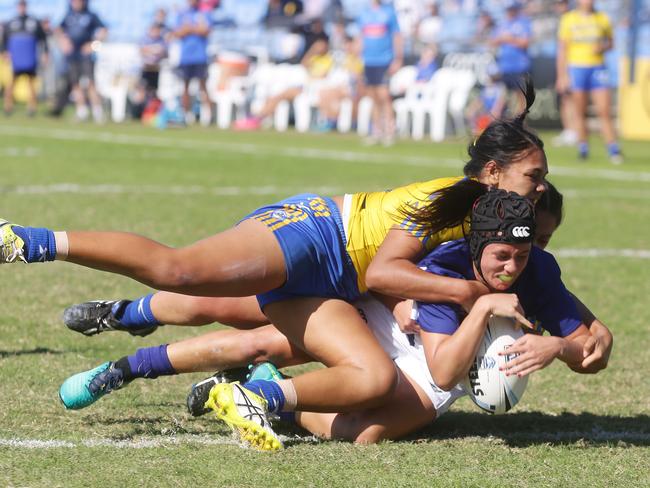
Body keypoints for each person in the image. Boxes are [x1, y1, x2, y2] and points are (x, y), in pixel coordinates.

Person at [0, 80, 549, 451]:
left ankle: (148, 358)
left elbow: (395, 283)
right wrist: (466, 298)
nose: (542, 187)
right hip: (316, 235)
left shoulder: (493, 219)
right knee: (180, 273)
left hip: (341, 283)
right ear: (494, 173)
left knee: (262, 338)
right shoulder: (450, 200)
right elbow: (384, 272)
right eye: (534, 176)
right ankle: (34, 241)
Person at [58, 189, 611, 447]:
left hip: (425, 357)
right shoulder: (448, 260)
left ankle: (270, 398)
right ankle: (128, 354)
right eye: (504, 254)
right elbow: (442, 365)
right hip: (368, 311)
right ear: (477, 240)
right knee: (245, 324)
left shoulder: (534, 266)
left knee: (368, 434)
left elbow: (594, 348)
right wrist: (483, 305)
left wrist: (560, 347)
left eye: (529, 250)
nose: (513, 265)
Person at [556, 0, 622, 164]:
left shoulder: (602, 18)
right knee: (580, 111)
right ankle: (583, 147)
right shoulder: (568, 19)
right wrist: (562, 75)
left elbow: (611, 43)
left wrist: (603, 48)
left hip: (598, 68)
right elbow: (562, 50)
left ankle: (613, 148)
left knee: (604, 110)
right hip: (577, 68)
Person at [233, 37, 334, 131]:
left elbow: (323, 76)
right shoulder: (313, 58)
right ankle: (258, 118)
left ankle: (257, 118)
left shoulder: (328, 59)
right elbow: (304, 65)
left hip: (313, 88)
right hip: (305, 86)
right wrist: (312, 51)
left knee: (279, 96)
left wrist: (312, 76)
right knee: (275, 96)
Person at [357, 0, 403, 146]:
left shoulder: (389, 12)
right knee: (373, 97)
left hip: (384, 60)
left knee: (384, 96)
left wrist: (398, 58)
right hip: (368, 61)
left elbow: (397, 35)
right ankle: (376, 131)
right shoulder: (364, 13)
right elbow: (361, 37)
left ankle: (389, 132)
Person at [56, 0, 107, 123]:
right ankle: (81, 111)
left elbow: (104, 31)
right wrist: (63, 42)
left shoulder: (91, 15)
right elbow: (58, 30)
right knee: (75, 83)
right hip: (73, 55)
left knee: (90, 83)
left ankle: (97, 112)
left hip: (86, 55)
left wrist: (93, 45)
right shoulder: (69, 15)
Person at [1, 0, 48, 117]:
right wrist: (4, 52)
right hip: (16, 59)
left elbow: (43, 38)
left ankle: (32, 108)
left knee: (31, 83)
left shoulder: (33, 22)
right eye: (20, 6)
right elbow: (4, 39)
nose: (22, 8)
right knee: (11, 82)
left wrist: (45, 53)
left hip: (29, 58)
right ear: (17, 7)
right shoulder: (11, 22)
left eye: (23, 5)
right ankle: (8, 107)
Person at [173, 0, 212, 125]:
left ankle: (209, 116)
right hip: (186, 57)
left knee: (204, 87)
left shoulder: (204, 14)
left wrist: (190, 28)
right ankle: (186, 115)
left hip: (200, 57)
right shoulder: (182, 14)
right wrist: (193, 29)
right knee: (185, 87)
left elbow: (205, 31)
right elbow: (178, 33)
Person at [489, 1, 531, 111]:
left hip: (519, 65)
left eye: (512, 9)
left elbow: (525, 43)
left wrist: (509, 39)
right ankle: (498, 121)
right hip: (504, 66)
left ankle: (520, 123)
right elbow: (492, 42)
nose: (510, 11)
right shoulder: (502, 24)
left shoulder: (523, 23)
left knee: (521, 95)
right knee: (502, 96)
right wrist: (501, 39)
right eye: (508, 9)